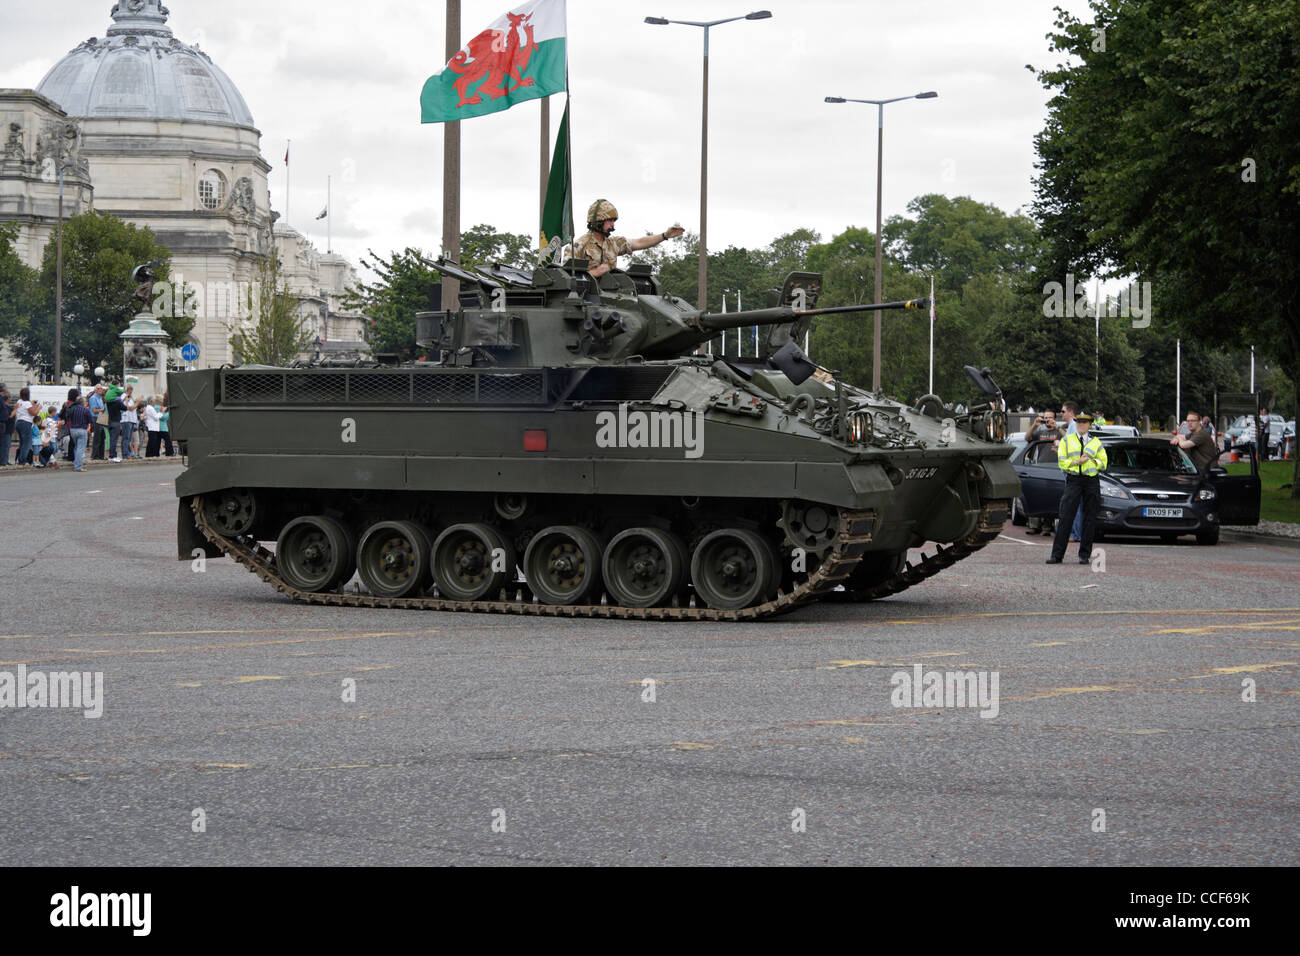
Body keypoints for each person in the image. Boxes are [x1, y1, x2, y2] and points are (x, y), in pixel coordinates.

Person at [1046, 412, 1108, 565]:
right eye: (1079, 422)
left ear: (1090, 425)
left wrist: (1093, 461)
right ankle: (1057, 555)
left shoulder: (1096, 442)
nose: (1081, 425)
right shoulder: (1067, 440)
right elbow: (1062, 462)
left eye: (1084, 423)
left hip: (1091, 481)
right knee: (1066, 516)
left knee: (1090, 518)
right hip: (1074, 480)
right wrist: (1077, 462)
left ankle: (1084, 555)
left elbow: (1104, 463)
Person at [570, 199, 684, 279]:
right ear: (599, 221)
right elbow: (565, 276)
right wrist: (593, 273)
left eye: (614, 221)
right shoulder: (580, 245)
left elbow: (639, 242)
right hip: (587, 298)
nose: (612, 225)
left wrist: (664, 236)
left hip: (613, 296)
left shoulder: (614, 243)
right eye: (610, 221)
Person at [1024, 409, 1060, 535]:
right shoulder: (1040, 432)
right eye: (1045, 417)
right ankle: (1033, 526)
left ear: (1055, 419)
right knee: (1036, 496)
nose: (1047, 420)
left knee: (1049, 498)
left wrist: (1058, 427)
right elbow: (1027, 437)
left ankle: (1046, 527)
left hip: (1055, 468)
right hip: (1040, 467)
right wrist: (1034, 425)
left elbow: (1068, 439)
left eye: (1050, 418)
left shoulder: (1058, 431)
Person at [65, 394, 94, 471]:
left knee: (76, 447)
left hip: (73, 429)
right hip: (82, 429)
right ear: (83, 402)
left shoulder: (73, 409)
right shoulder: (86, 410)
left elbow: (68, 417)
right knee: (80, 449)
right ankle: (78, 466)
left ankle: (76, 463)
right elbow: (91, 420)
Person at [13, 387, 39, 466]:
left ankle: (19, 458)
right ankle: (22, 460)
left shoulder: (19, 401)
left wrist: (32, 403)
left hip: (18, 422)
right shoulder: (27, 403)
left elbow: (26, 405)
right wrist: (38, 408)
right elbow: (33, 413)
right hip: (26, 423)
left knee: (22, 442)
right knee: (26, 443)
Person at [88, 383, 107, 460]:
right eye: (99, 388)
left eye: (101, 388)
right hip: (96, 418)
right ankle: (95, 455)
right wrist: (103, 409)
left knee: (102, 437)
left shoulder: (100, 398)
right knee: (97, 437)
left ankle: (101, 455)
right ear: (95, 390)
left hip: (102, 417)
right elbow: (94, 410)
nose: (100, 390)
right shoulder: (93, 398)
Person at [119, 386, 138, 459]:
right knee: (126, 438)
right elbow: (129, 408)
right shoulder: (124, 397)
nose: (131, 391)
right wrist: (137, 402)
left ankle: (128, 453)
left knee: (129, 438)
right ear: (128, 390)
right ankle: (125, 454)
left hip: (131, 420)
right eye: (131, 390)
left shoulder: (130, 397)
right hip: (126, 419)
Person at [0, 383, 15, 467]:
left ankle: (4, 460)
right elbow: (9, 415)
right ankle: (3, 461)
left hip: (4, 424)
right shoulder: (1, 400)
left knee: (5, 444)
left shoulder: (2, 400)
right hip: (3, 423)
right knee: (4, 444)